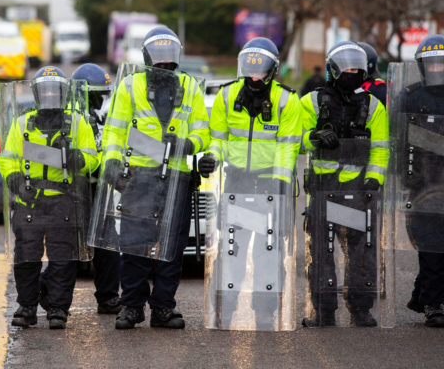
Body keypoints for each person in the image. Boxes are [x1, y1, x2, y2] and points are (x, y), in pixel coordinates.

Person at [100, 26, 209, 330]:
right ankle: (132, 306)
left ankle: (163, 308)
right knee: (134, 246)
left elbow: (204, 132)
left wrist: (190, 144)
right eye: (158, 58)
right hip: (139, 177)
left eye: (169, 58)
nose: (164, 64)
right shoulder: (129, 86)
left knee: (170, 249)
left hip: (176, 177)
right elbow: (115, 130)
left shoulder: (190, 87)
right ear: (147, 57)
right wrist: (109, 162)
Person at [198, 37, 302, 330]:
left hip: (271, 186)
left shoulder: (287, 100)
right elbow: (218, 140)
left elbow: (288, 148)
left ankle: (266, 313)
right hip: (235, 183)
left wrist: (279, 189)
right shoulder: (226, 96)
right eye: (249, 71)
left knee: (269, 253)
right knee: (231, 251)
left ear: (273, 70)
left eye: (260, 72)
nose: (254, 78)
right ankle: (224, 310)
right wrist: (211, 158)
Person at [0, 66, 99, 329]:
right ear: (37, 93)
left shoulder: (77, 122)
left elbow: (93, 158)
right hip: (29, 200)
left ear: (64, 93)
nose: (51, 95)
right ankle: (27, 307)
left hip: (63, 200)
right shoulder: (22, 123)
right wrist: (14, 180)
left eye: (56, 90)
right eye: (46, 90)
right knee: (26, 258)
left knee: (62, 260)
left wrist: (79, 158)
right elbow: (7, 159)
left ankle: (57, 309)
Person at [300, 41, 389, 327]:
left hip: (359, 190)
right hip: (322, 189)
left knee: (361, 254)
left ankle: (361, 308)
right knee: (321, 254)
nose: (352, 72)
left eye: (357, 68)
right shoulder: (311, 102)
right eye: (347, 68)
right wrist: (313, 137)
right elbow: (295, 139)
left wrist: (374, 180)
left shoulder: (373, 105)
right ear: (334, 70)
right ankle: (324, 310)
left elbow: (381, 148)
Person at [58, 63, 120, 314]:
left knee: (108, 245)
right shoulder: (67, 119)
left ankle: (108, 298)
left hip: (100, 190)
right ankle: (51, 295)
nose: (101, 99)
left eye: (103, 93)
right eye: (97, 93)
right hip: (72, 191)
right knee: (69, 248)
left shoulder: (103, 119)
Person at [392, 35, 444, 327]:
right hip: (424, 184)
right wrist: (404, 176)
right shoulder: (410, 96)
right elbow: (398, 139)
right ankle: (433, 304)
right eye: (432, 63)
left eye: (442, 63)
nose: (437, 68)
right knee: (431, 245)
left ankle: (423, 295)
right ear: (423, 66)